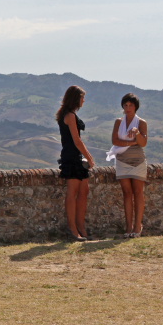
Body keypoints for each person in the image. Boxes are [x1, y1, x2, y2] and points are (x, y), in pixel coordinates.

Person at [106, 93, 148, 238]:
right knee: (127, 194)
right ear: (122, 106)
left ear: (136, 107)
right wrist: (131, 143)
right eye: (126, 105)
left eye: (131, 105)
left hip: (138, 162)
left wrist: (136, 134)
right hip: (122, 162)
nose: (128, 108)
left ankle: (137, 227)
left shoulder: (141, 123)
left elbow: (143, 143)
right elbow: (114, 141)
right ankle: (128, 227)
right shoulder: (119, 122)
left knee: (138, 193)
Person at [56, 85, 94, 241]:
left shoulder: (69, 114)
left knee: (83, 191)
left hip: (76, 157)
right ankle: (72, 228)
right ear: (75, 98)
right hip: (71, 157)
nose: (83, 100)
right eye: (82, 97)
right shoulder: (70, 116)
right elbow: (77, 141)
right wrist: (90, 158)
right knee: (72, 193)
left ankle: (80, 226)